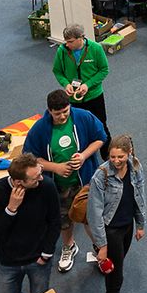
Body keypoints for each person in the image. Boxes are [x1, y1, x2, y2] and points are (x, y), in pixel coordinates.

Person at [25, 88, 107, 277]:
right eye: (57, 114)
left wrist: (84, 156)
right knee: (64, 219)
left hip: (85, 180)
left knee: (91, 217)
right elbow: (31, 158)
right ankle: (69, 246)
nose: (62, 116)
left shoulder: (83, 116)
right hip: (58, 185)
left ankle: (99, 248)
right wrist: (55, 167)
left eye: (65, 112)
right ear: (49, 111)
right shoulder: (39, 129)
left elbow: (101, 137)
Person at [88, 134, 147, 293]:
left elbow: (139, 196)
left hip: (127, 227)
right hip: (110, 232)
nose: (116, 161)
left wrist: (140, 224)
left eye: (120, 157)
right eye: (112, 157)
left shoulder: (135, 167)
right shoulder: (101, 175)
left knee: (118, 270)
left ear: (129, 153)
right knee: (115, 278)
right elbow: (94, 214)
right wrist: (101, 246)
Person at [0, 153, 61, 293]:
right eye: (35, 177)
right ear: (19, 182)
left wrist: (47, 253)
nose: (41, 178)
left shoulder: (46, 186)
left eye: (40, 172)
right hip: (9, 262)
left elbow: (55, 221)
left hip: (39, 259)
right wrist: (11, 209)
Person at [52, 23, 112, 134]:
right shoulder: (62, 51)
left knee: (100, 125)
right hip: (74, 99)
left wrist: (87, 85)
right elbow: (57, 71)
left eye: (70, 41)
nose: (67, 44)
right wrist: (66, 84)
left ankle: (106, 146)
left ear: (81, 38)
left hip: (94, 96)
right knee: (79, 128)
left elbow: (104, 70)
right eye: (66, 41)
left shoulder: (96, 48)